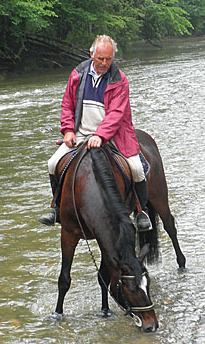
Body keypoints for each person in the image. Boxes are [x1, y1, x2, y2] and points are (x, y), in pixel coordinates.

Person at [38, 34, 152, 232]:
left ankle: (141, 212)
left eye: (108, 59)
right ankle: (56, 208)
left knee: (136, 169)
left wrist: (100, 135)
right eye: (100, 58)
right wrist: (67, 130)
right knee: (52, 163)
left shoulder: (120, 80)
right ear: (92, 54)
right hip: (81, 134)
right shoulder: (77, 75)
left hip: (114, 136)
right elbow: (67, 105)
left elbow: (116, 114)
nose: (104, 63)